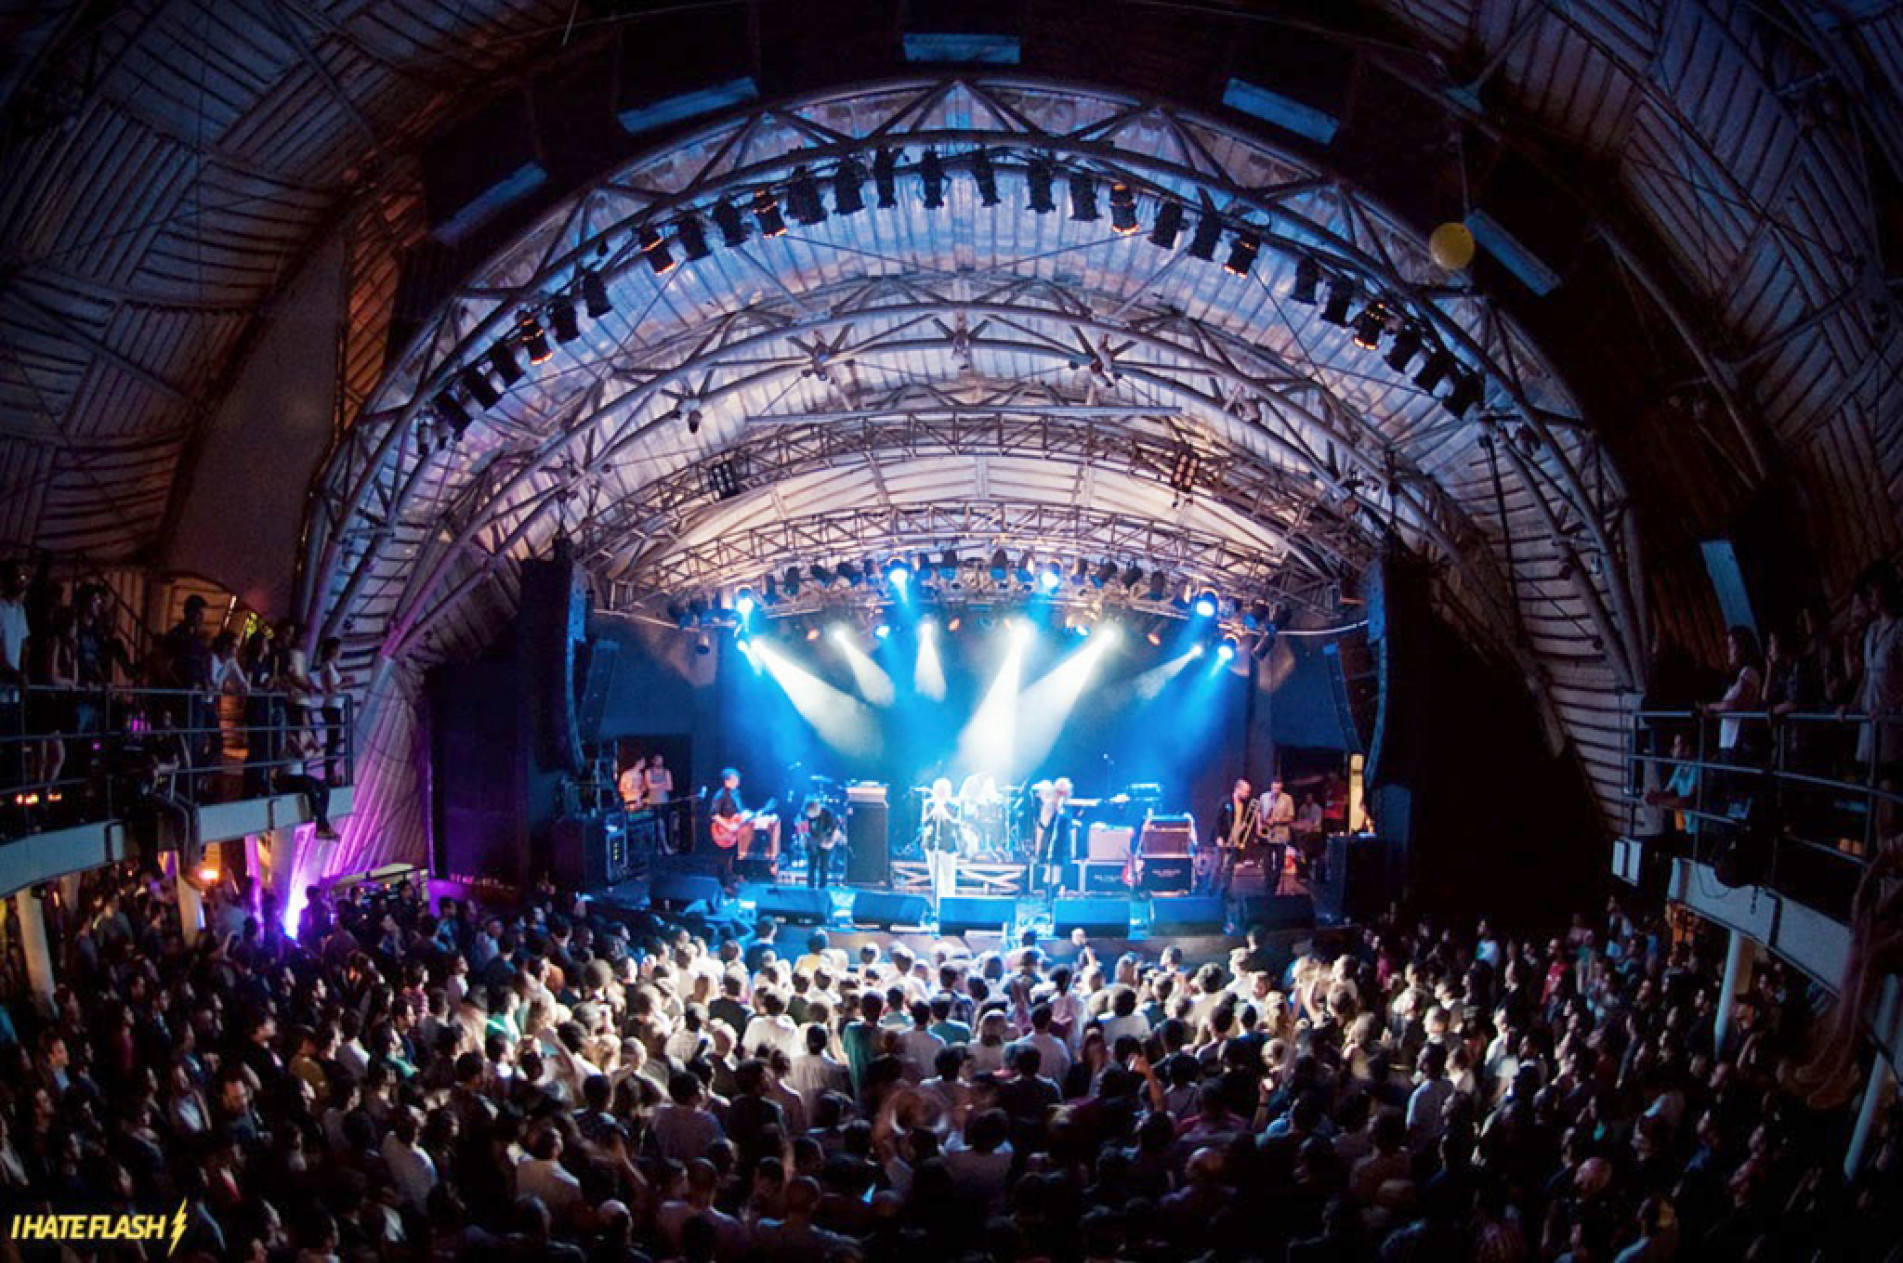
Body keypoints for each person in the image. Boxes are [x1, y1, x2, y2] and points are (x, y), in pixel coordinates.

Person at [1209, 778, 1253, 896]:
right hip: (1223, 838)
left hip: (1234, 839)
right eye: (1245, 791)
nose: (1247, 794)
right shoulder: (1226, 801)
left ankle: (1225, 892)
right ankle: (1211, 891)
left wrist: (1242, 829)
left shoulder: (1243, 805)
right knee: (1218, 866)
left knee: (1230, 867)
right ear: (1238, 789)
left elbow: (1238, 821)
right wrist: (1218, 836)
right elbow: (1217, 820)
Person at [923, 777, 960, 911]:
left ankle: (949, 905)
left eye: (943, 791)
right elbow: (924, 822)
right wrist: (934, 812)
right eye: (938, 791)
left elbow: (956, 824)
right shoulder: (929, 804)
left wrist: (945, 814)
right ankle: (938, 906)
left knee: (948, 877)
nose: (940, 793)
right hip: (932, 844)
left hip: (948, 844)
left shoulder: (954, 805)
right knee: (936, 877)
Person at [1257, 777, 1296, 893]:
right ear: (1271, 786)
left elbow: (1291, 817)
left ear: (1281, 787)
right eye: (1274, 788)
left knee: (1279, 862)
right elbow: (1258, 812)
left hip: (1281, 835)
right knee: (1267, 862)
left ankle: (1274, 884)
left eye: (1278, 789)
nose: (1276, 791)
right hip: (1266, 835)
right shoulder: (1264, 797)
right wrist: (1258, 826)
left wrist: (1277, 820)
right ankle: (1268, 884)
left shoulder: (1287, 799)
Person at [801, 795, 841, 889]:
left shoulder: (827, 813)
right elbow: (803, 830)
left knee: (823, 867)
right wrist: (805, 841)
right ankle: (810, 889)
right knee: (811, 867)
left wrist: (830, 842)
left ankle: (822, 889)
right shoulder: (805, 815)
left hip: (825, 843)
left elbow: (835, 830)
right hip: (812, 843)